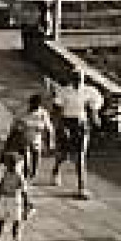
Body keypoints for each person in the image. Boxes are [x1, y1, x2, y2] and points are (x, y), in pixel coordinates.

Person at [49, 69, 104, 199]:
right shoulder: (64, 92)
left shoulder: (90, 91)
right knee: (64, 154)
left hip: (81, 125)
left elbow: (93, 109)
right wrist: (60, 126)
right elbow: (57, 111)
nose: (78, 81)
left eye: (80, 78)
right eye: (75, 78)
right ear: (71, 79)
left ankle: (82, 187)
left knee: (80, 155)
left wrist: (95, 118)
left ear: (83, 79)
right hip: (66, 123)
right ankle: (56, 170)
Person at [6, 94, 57, 181]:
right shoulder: (22, 111)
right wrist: (13, 135)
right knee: (26, 155)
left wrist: (51, 142)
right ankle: (26, 174)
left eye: (36, 106)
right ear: (30, 103)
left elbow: (49, 128)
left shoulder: (43, 113)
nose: (34, 107)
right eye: (33, 105)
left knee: (36, 154)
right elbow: (14, 124)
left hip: (36, 138)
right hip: (23, 138)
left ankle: (33, 173)